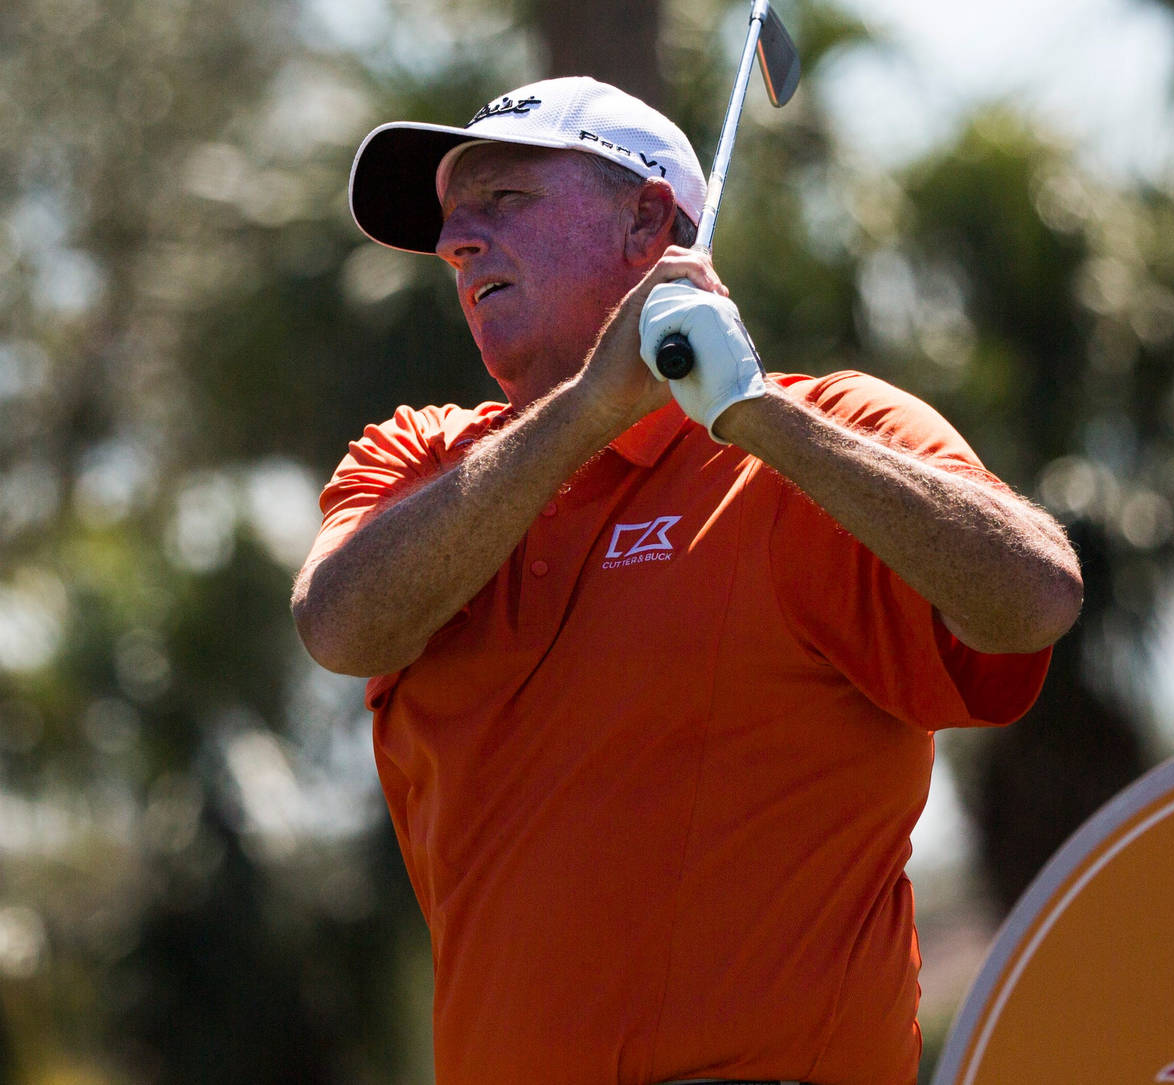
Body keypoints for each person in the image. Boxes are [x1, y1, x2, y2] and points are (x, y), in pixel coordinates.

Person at [291, 77, 1082, 1085]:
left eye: (505, 200)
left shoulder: (819, 435)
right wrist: (588, 410)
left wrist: (756, 415)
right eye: (454, 222)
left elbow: (1034, 597)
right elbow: (339, 625)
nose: (458, 241)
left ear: (647, 220)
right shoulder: (415, 459)